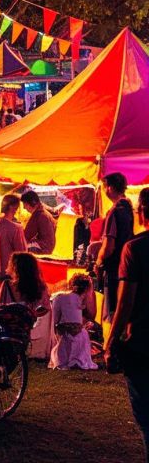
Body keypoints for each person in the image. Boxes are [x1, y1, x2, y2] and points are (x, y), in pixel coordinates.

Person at [107, 184, 149, 459]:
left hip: (143, 343)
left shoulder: (135, 248)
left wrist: (111, 342)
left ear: (142, 212)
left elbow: (125, 303)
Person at [98, 173, 135, 329]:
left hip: (113, 267)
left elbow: (109, 245)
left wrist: (99, 261)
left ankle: (112, 345)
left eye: (105, 187)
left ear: (110, 188)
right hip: (124, 264)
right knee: (123, 307)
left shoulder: (115, 211)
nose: (104, 191)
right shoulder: (128, 208)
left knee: (112, 309)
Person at [50, 273, 98, 370]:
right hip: (78, 335)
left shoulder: (58, 297)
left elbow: (55, 319)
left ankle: (63, 359)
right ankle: (77, 359)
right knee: (82, 332)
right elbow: (91, 315)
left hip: (63, 334)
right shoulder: (80, 300)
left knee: (67, 332)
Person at [0, 194, 28, 276]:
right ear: (13, 207)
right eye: (17, 206)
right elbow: (22, 253)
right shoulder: (16, 228)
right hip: (7, 272)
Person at [21, 190, 57, 254]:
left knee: (18, 247)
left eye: (25, 204)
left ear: (33, 202)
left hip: (43, 247)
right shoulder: (46, 213)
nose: (24, 208)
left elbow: (26, 235)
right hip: (49, 246)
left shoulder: (38, 215)